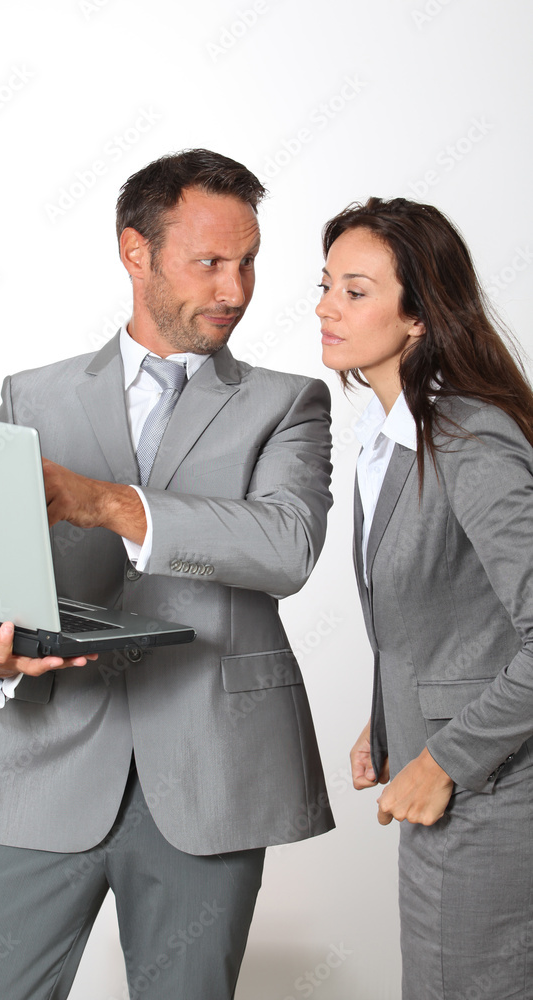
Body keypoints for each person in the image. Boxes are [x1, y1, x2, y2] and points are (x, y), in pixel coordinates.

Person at [0, 149, 335, 1000]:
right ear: (135, 253)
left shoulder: (287, 403)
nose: (235, 289)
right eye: (210, 262)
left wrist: (109, 503)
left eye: (249, 260)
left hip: (210, 779)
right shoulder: (31, 396)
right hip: (42, 765)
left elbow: (286, 547)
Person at [317, 195, 533, 999]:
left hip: (490, 796)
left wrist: (442, 757)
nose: (325, 307)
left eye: (355, 290)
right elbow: (451, 608)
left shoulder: (468, 440)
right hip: (449, 786)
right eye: (327, 285)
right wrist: (390, 708)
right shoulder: (393, 436)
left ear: (417, 319)